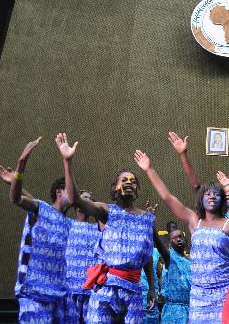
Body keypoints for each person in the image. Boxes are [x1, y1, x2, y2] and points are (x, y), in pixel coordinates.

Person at [133, 148, 229, 324]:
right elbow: (167, 197)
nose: (212, 197)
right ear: (201, 199)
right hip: (198, 294)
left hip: (223, 292)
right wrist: (149, 169)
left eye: (217, 194)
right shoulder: (194, 220)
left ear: (222, 200)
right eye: (208, 194)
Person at [55, 133, 157, 324]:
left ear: (137, 190)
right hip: (107, 287)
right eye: (124, 180)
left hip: (134, 290)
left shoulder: (147, 218)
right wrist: (67, 161)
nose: (129, 182)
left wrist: (152, 287)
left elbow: (148, 256)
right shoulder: (106, 211)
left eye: (133, 181)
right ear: (115, 188)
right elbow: (76, 199)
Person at [167, 131, 229, 323]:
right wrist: (183, 155)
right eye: (225, 193)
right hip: (223, 284)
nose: (228, 194)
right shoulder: (217, 220)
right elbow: (197, 187)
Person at [0, 137, 70, 323]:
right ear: (59, 191)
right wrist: (22, 162)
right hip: (35, 292)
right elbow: (16, 198)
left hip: (57, 294)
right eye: (71, 188)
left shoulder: (66, 222)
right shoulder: (40, 209)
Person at [65, 190, 102, 324]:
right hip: (70, 288)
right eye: (84, 198)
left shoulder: (97, 228)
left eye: (90, 199)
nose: (87, 201)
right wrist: (72, 198)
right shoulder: (67, 224)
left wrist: (95, 207)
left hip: (90, 289)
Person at [158, 228, 191, 323]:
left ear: (185, 240)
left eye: (180, 237)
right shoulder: (169, 257)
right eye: (174, 238)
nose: (178, 239)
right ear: (170, 243)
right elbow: (161, 248)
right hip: (173, 310)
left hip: (190, 309)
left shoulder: (191, 261)